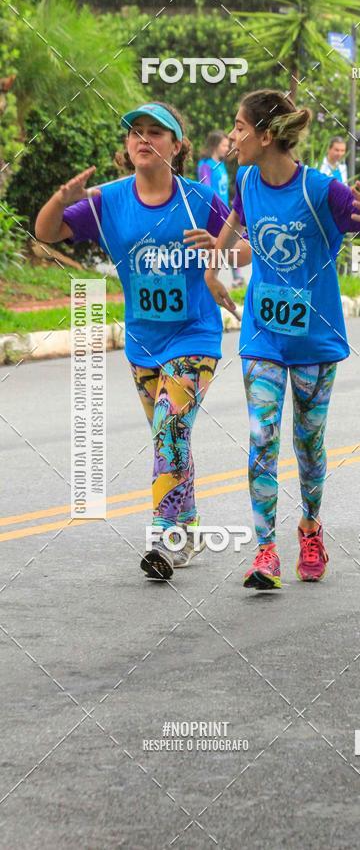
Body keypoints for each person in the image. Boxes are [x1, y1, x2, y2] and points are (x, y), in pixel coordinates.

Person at [201, 89, 360, 591]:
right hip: (263, 336)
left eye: (240, 127)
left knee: (308, 445)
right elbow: (236, 221)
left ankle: (310, 527)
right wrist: (215, 266)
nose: (232, 136)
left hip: (315, 339)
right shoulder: (246, 178)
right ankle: (265, 552)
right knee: (261, 437)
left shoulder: (320, 191)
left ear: (266, 135)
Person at [35, 101, 232, 582]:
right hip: (143, 342)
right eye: (135, 132)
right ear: (127, 146)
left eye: (156, 132)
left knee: (169, 430)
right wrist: (63, 198)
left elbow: (242, 240)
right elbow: (46, 233)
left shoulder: (199, 199)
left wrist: (219, 252)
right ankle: (188, 526)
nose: (143, 139)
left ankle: (164, 538)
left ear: (177, 146)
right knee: (171, 438)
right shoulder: (109, 201)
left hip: (196, 335)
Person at [197, 129, 244, 287]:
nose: (227, 148)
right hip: (212, 212)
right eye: (224, 145)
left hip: (225, 211)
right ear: (215, 145)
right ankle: (206, 278)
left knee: (230, 241)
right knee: (214, 245)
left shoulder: (221, 164)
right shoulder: (205, 165)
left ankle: (237, 277)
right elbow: (206, 189)